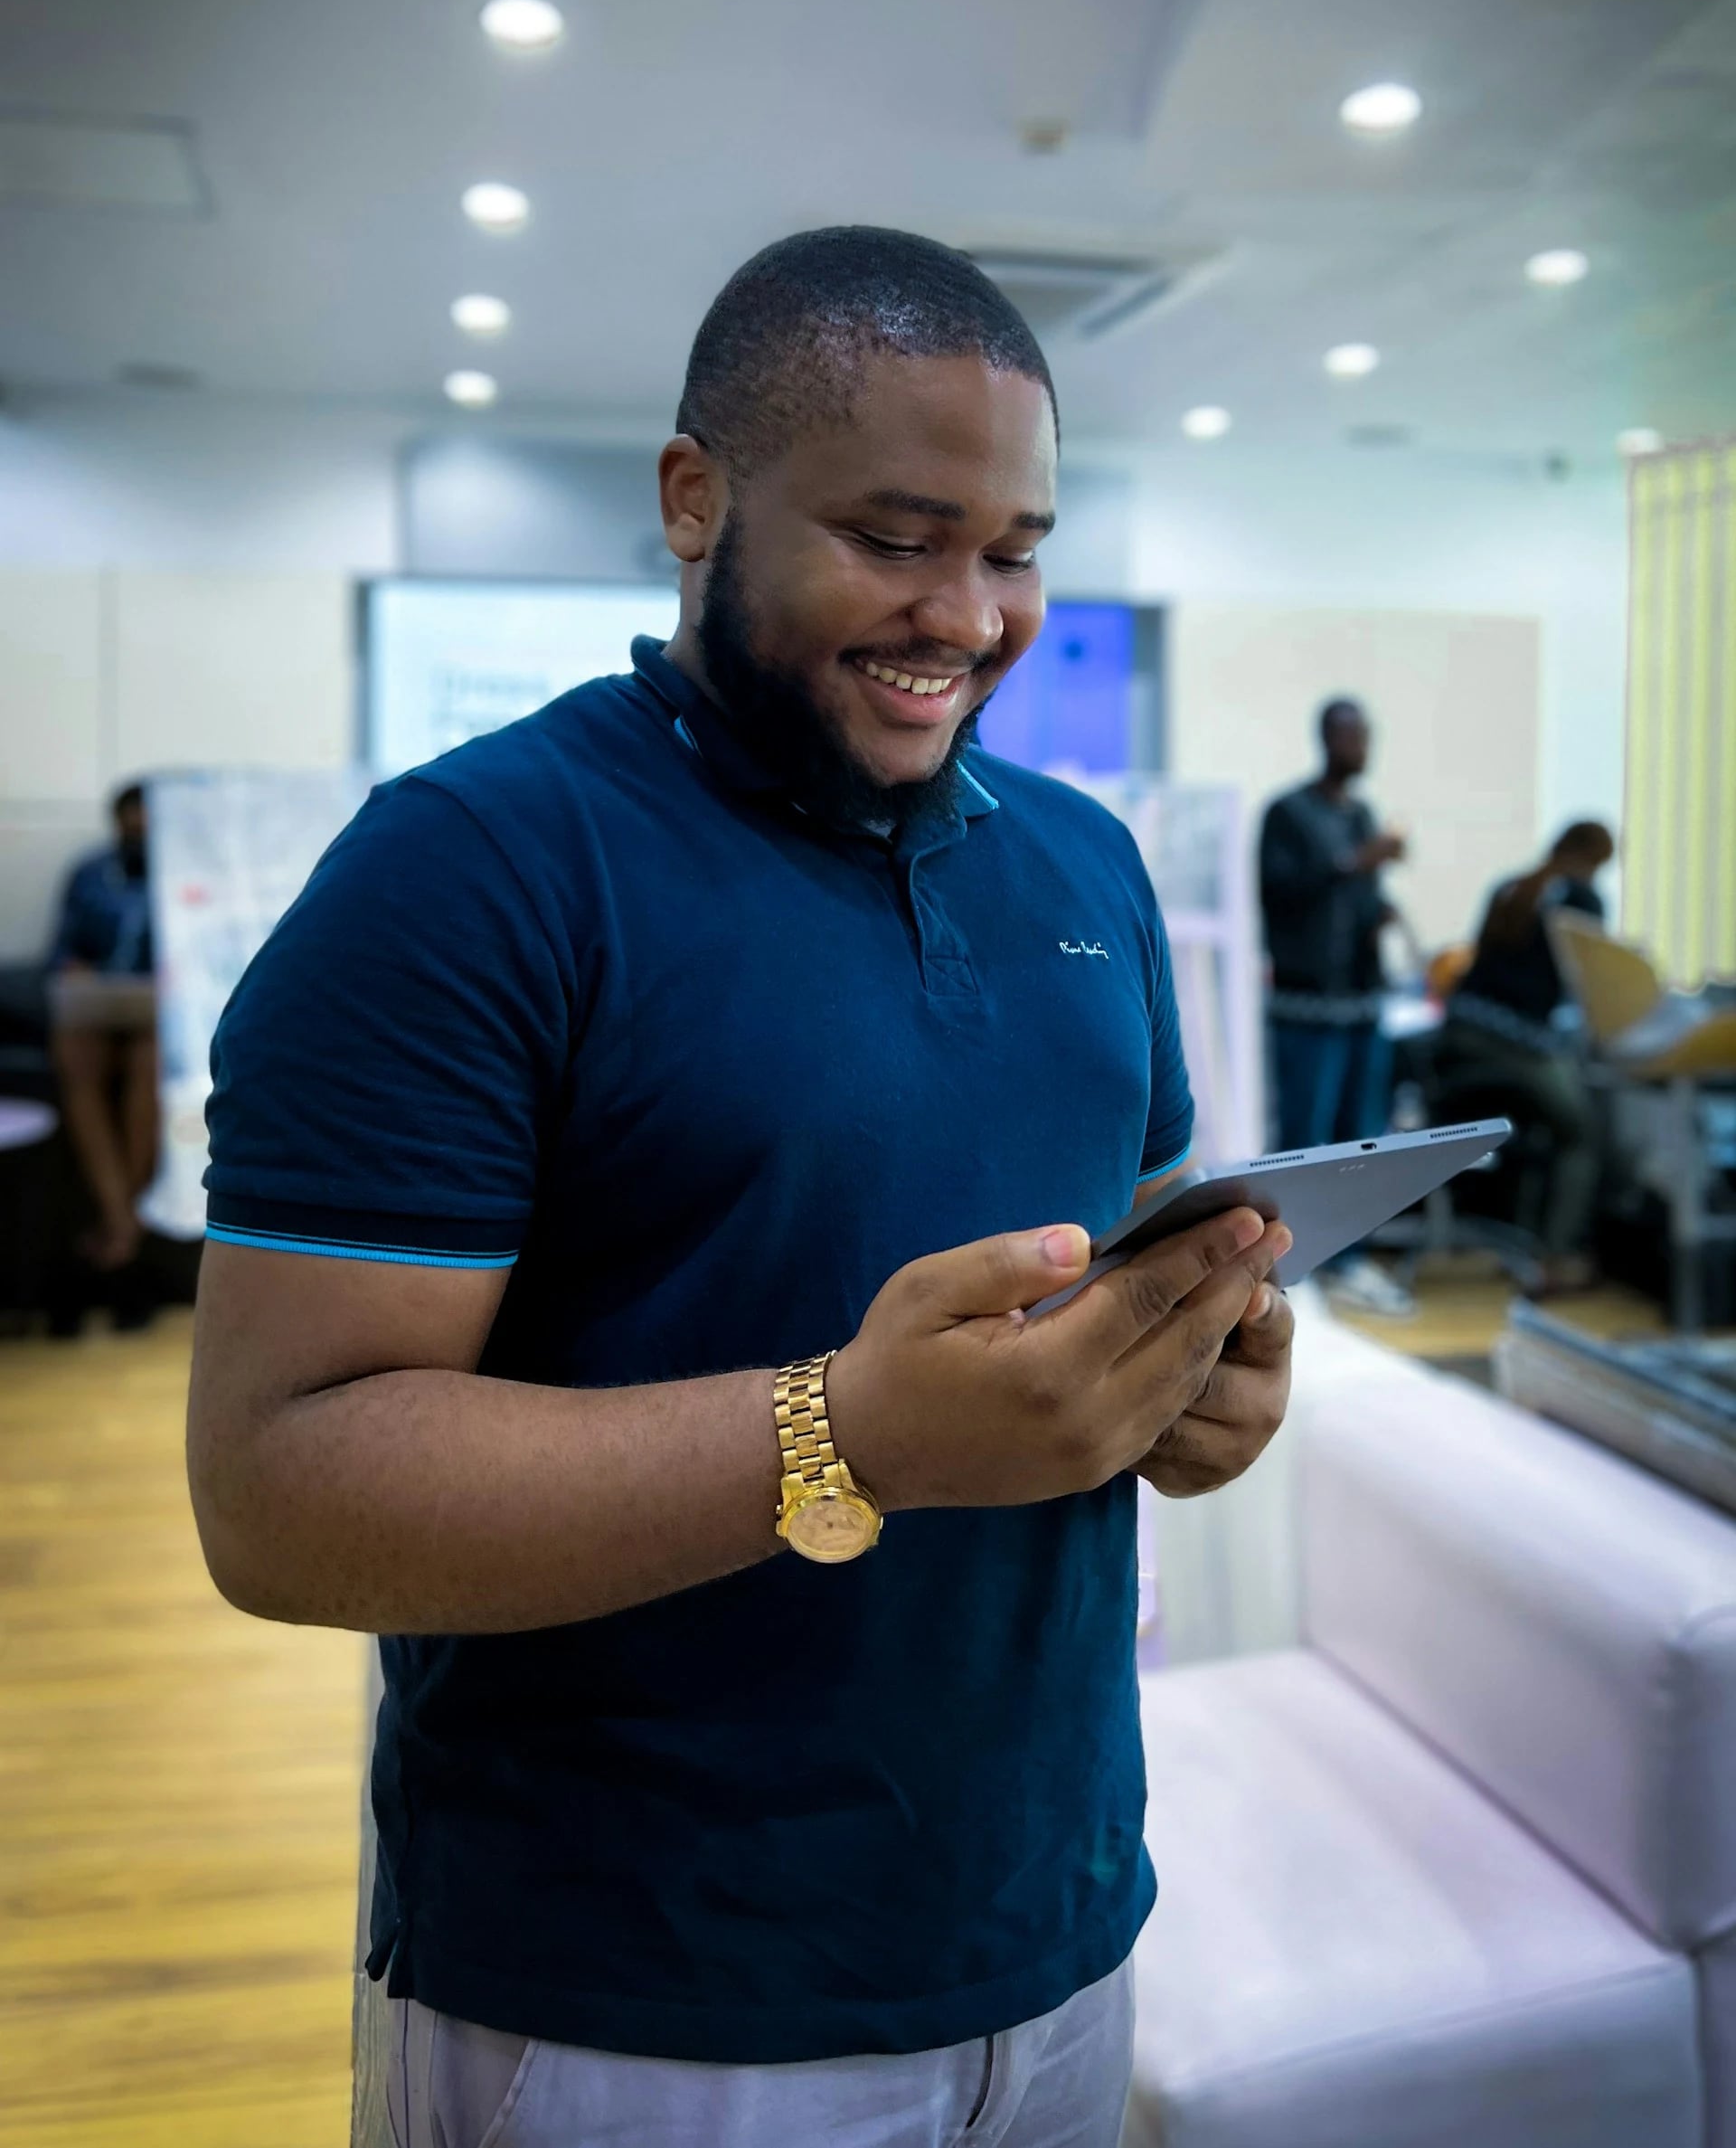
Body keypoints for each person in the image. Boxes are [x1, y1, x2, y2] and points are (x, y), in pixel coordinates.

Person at [186, 227, 1293, 2148]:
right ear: (699, 498)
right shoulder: (470, 869)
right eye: (897, 534)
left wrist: (1189, 1382)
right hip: (636, 1997)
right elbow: (282, 1494)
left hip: (1055, 1929)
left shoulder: (1087, 871)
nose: (972, 611)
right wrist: (844, 1434)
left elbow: (1131, 1269)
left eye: (1018, 549)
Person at [1259, 700, 1410, 1315]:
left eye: (1368, 734)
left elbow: (1358, 894)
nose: (1362, 746)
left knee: (1360, 1142)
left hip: (1361, 1004)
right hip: (1306, 1007)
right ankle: (1294, 1260)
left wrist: (1379, 911)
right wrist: (1354, 865)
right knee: (1306, 1140)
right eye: (1353, 735)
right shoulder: (1288, 813)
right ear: (1327, 737)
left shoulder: (1362, 814)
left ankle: (1349, 1259)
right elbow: (1280, 891)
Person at [1436, 820, 1616, 1292]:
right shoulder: (1580, 899)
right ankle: (1555, 1257)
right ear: (1595, 860)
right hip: (1517, 1045)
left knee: (1539, 1125)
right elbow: (1587, 984)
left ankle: (1518, 1241)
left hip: (1460, 1043)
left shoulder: (1510, 888)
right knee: (1580, 1133)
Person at [48, 780, 159, 1288]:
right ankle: (127, 1218)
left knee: (150, 1063)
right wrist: (75, 970)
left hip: (157, 1014)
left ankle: (116, 1220)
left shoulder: (183, 874)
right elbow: (63, 951)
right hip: (97, 1009)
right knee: (77, 1054)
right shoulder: (89, 874)